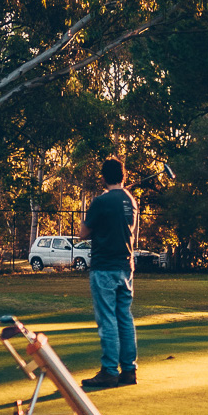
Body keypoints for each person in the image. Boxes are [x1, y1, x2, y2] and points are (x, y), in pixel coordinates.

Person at [79, 158, 139, 389]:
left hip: (104, 266)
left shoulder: (101, 201)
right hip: (125, 265)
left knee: (108, 319)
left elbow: (84, 233)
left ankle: (110, 371)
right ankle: (129, 370)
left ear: (103, 177)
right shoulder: (130, 201)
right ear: (123, 176)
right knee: (124, 316)